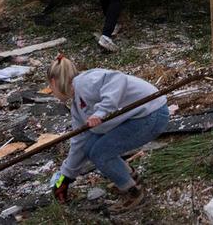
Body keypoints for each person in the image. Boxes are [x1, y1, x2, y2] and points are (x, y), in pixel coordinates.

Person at [47, 55, 168, 211]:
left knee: (100, 153)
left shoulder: (85, 82)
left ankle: (133, 193)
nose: (53, 93)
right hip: (140, 116)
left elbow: (117, 79)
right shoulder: (77, 106)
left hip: (153, 112)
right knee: (90, 146)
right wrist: (66, 176)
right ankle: (130, 177)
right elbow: (79, 141)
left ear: (53, 82)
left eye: (51, 89)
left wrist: (101, 111)